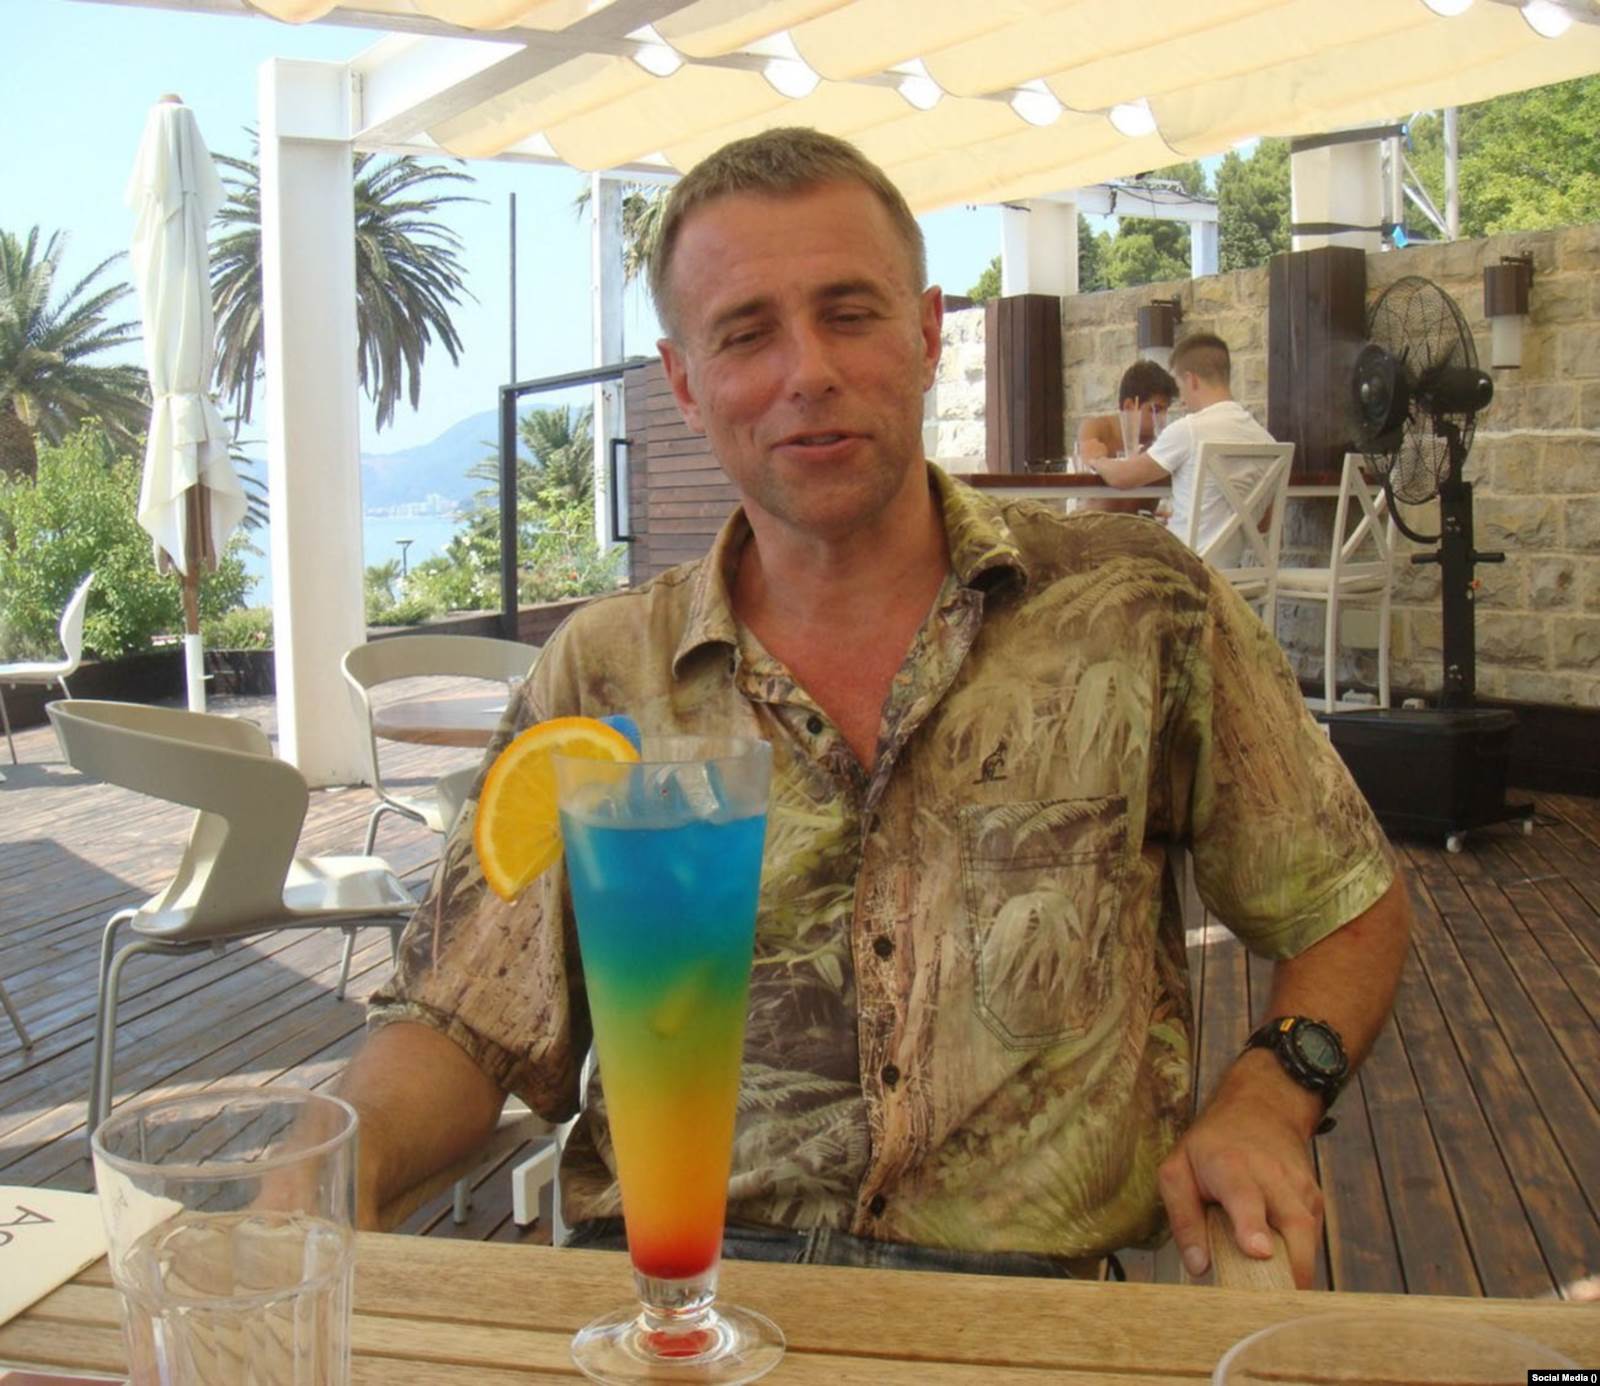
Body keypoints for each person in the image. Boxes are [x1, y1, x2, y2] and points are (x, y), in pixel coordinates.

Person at [338, 128, 1411, 1290]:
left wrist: (1271, 1091)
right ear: (685, 382)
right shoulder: (601, 676)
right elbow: (459, 1019)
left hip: (1015, 1309)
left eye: (849, 314)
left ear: (928, 334)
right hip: (673, 1293)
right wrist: (338, 1157)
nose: (808, 371)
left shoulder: (1136, 611)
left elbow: (1343, 901)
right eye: (746, 333)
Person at [1087, 333, 1276, 561]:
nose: (1183, 401)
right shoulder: (1266, 440)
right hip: (1231, 574)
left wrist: (1097, 460)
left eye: (1180, 386)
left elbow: (1123, 478)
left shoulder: (1189, 430)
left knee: (1109, 559)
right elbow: (1263, 524)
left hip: (1183, 569)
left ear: (1192, 380)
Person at [1074, 359, 1177, 515]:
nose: (1162, 418)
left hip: (1144, 525)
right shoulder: (1098, 428)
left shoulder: (1162, 443)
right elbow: (1087, 460)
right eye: (1155, 410)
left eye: (1165, 410)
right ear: (1129, 407)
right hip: (1097, 523)